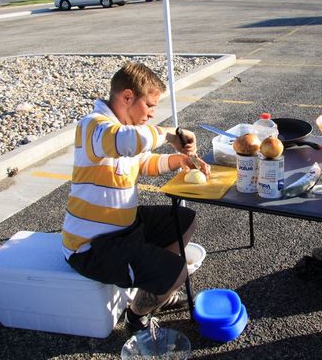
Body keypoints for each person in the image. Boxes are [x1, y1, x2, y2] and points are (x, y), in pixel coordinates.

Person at [61, 62, 210, 333]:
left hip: (122, 229)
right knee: (177, 271)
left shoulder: (121, 130)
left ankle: (153, 287)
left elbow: (144, 162)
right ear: (127, 97)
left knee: (184, 220)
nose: (152, 114)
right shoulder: (92, 127)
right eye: (150, 106)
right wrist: (167, 133)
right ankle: (135, 314)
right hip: (91, 248)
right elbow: (126, 142)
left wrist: (181, 160)